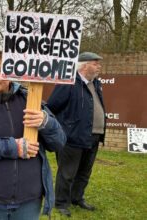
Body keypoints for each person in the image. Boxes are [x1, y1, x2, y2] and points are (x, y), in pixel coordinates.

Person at [0, 50, 66, 219]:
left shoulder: (31, 101)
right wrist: (13, 147)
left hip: (29, 201)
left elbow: (59, 142)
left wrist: (46, 122)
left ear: (11, 71)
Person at [47, 52, 106, 217]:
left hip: (93, 136)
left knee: (84, 172)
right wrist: (65, 128)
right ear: (84, 65)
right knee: (67, 173)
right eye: (95, 63)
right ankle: (60, 203)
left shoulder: (96, 84)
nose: (99, 66)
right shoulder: (68, 82)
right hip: (72, 137)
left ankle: (76, 198)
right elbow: (52, 107)